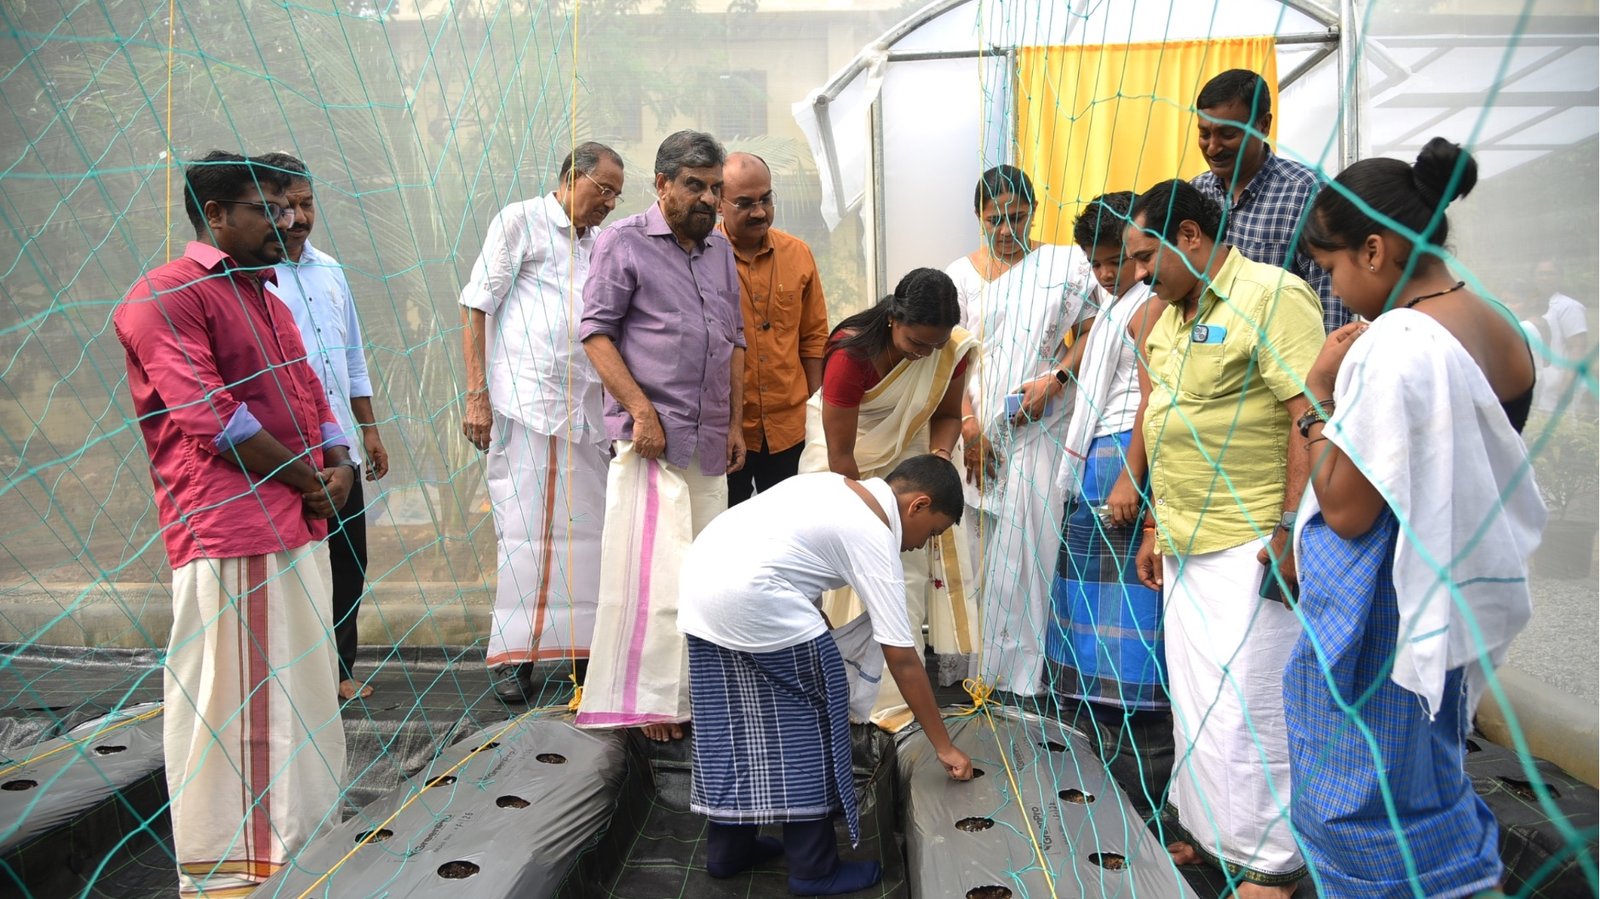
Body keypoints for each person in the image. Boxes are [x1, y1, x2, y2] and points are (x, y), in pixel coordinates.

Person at [1287, 137, 1543, 898]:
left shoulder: (1397, 345)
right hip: (1451, 581)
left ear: (1375, 249)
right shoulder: (1498, 323)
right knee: (1431, 778)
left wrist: (1319, 395)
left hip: (1385, 610)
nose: (1333, 287)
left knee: (1361, 797)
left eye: (1331, 267)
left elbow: (1348, 508)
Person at [113, 150, 351, 896]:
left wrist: (337, 459)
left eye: (290, 207)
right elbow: (209, 416)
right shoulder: (166, 295)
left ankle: (306, 845)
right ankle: (232, 869)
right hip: (234, 529)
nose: (288, 221)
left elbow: (310, 389)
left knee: (307, 692)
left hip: (299, 521)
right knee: (236, 703)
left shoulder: (268, 296)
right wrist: (309, 475)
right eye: (269, 208)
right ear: (215, 215)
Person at [1125, 178, 1323, 896]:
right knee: (1199, 699)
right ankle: (1213, 835)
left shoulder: (1272, 295)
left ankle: (1271, 863)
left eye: (1148, 256)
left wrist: (1291, 528)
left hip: (1251, 540)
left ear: (1191, 237)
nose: (1141, 274)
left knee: (1254, 704)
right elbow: (1162, 420)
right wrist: (1154, 522)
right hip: (1185, 539)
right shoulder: (1172, 317)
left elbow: (1311, 414)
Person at [678, 455, 975, 895]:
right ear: (917, 504)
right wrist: (944, 746)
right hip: (751, 599)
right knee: (815, 716)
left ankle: (728, 850)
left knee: (735, 723)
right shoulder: (874, 535)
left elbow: (789, 560)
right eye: (932, 532)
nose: (920, 545)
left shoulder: (833, 487)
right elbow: (903, 656)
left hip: (701, 592)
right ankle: (814, 869)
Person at [576, 131, 745, 742]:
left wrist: (734, 423)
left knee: (704, 575)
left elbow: (734, 342)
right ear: (663, 185)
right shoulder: (623, 244)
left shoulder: (719, 252)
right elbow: (595, 334)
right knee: (653, 578)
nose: (708, 199)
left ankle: (696, 695)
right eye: (695, 186)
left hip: (708, 442)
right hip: (651, 443)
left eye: (715, 189)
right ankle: (650, 703)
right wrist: (640, 412)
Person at [459, 142, 624, 703]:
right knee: (527, 530)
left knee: (589, 528)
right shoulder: (520, 221)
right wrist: (476, 394)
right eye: (603, 190)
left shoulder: (600, 243)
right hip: (528, 399)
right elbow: (477, 305)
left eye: (617, 197)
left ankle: (581, 648)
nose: (609, 204)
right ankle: (516, 655)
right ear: (572, 178)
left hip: (586, 407)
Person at [798, 268, 978, 730]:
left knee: (905, 575)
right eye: (916, 343)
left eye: (934, 347)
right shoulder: (852, 351)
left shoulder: (947, 351)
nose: (925, 355)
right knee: (840, 574)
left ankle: (895, 707)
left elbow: (945, 412)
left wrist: (936, 463)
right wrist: (870, 527)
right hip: (844, 458)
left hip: (910, 448)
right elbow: (842, 455)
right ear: (895, 318)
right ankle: (832, 696)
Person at [946, 165, 1100, 698]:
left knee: (1036, 554)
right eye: (995, 221)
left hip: (1041, 428)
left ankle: (1030, 677)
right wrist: (970, 428)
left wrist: (1057, 379)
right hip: (979, 436)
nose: (1006, 231)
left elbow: (1098, 327)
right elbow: (951, 362)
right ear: (977, 217)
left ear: (1033, 212)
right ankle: (984, 672)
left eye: (1017, 217)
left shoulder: (1065, 265)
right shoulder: (960, 277)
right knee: (983, 558)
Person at [1042, 192, 1170, 803]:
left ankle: (1141, 778)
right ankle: (1096, 760)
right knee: (1089, 616)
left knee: (1131, 620)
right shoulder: (1114, 303)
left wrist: (1130, 479)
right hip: (1097, 458)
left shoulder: (1150, 305)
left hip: (1124, 457)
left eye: (1114, 260)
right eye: (1094, 263)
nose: (1104, 274)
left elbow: (1153, 396)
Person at [260, 151, 390, 703]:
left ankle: (339, 670)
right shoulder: (249, 278)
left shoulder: (330, 270)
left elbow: (352, 357)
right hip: (279, 455)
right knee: (288, 569)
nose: (300, 216)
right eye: (285, 206)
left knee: (348, 565)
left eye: (307, 203)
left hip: (339, 452)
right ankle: (287, 677)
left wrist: (370, 431)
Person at [1190, 68, 1351, 332]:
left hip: (1280, 361)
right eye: (1205, 134)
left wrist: (1322, 369)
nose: (1213, 147)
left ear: (1263, 125)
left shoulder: (1307, 192)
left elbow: (1331, 297)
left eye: (1228, 135)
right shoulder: (1196, 192)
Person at [718, 151, 829, 503]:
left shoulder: (798, 254)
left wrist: (818, 420)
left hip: (790, 429)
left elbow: (814, 340)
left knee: (791, 529)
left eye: (766, 199)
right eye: (745, 203)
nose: (760, 211)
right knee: (725, 531)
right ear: (719, 203)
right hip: (727, 430)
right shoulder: (702, 257)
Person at [1531, 258, 1591, 412]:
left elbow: (1578, 347)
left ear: (1560, 277)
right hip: (1539, 383)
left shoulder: (1569, 307)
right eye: (1541, 274)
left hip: (1559, 382)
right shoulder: (1532, 304)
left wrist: (1567, 384)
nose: (1545, 278)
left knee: (1561, 430)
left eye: (1550, 274)